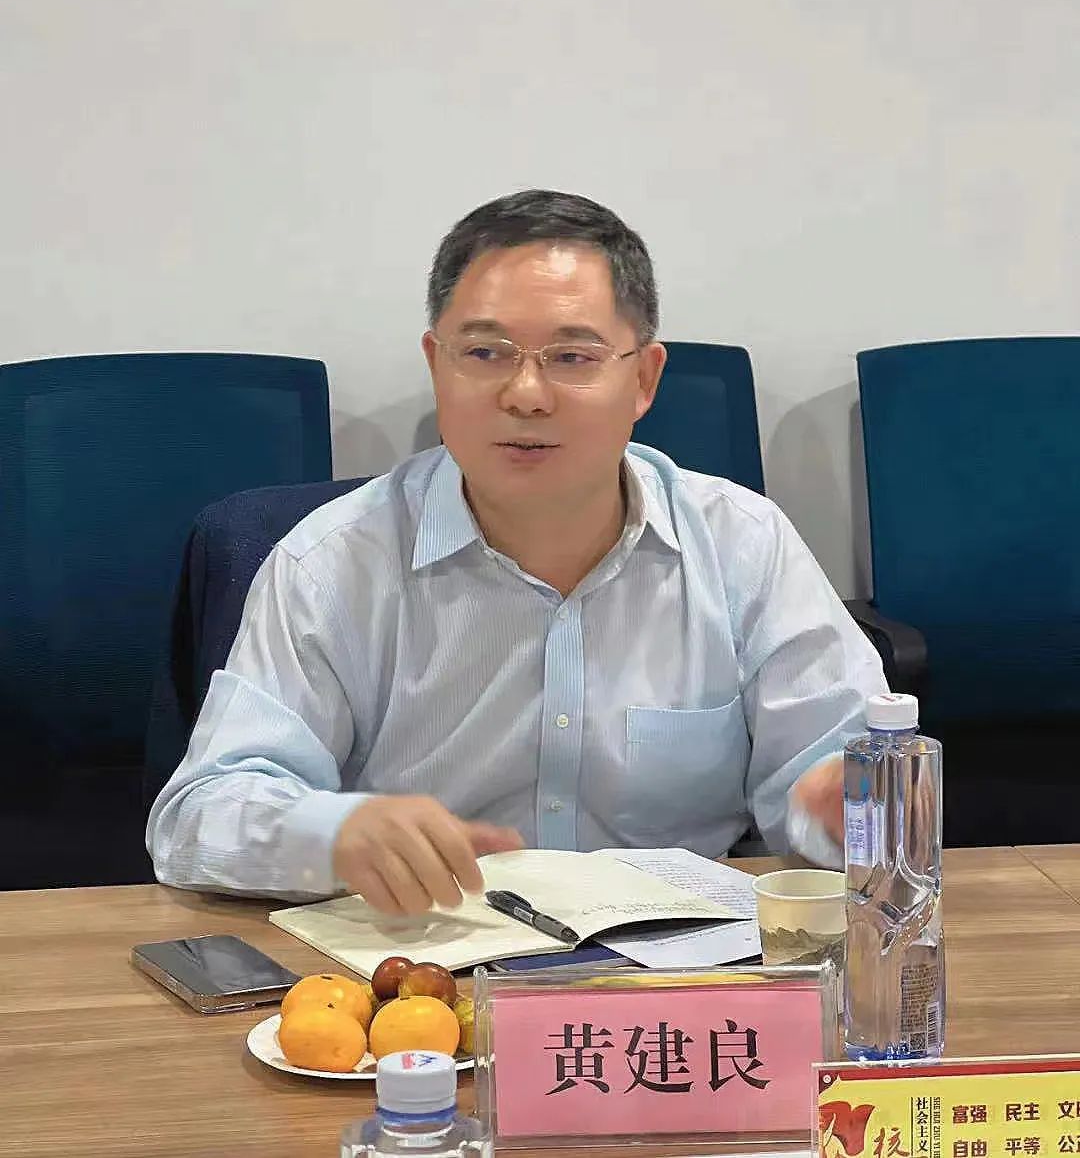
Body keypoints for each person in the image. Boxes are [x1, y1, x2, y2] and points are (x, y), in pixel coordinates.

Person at [147, 189, 885, 912]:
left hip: (676, 965)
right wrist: (335, 834)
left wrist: (842, 807)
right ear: (437, 365)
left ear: (644, 378)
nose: (526, 394)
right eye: (484, 352)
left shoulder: (743, 546)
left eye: (571, 356)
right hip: (427, 961)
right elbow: (199, 815)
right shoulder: (333, 564)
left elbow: (841, 778)